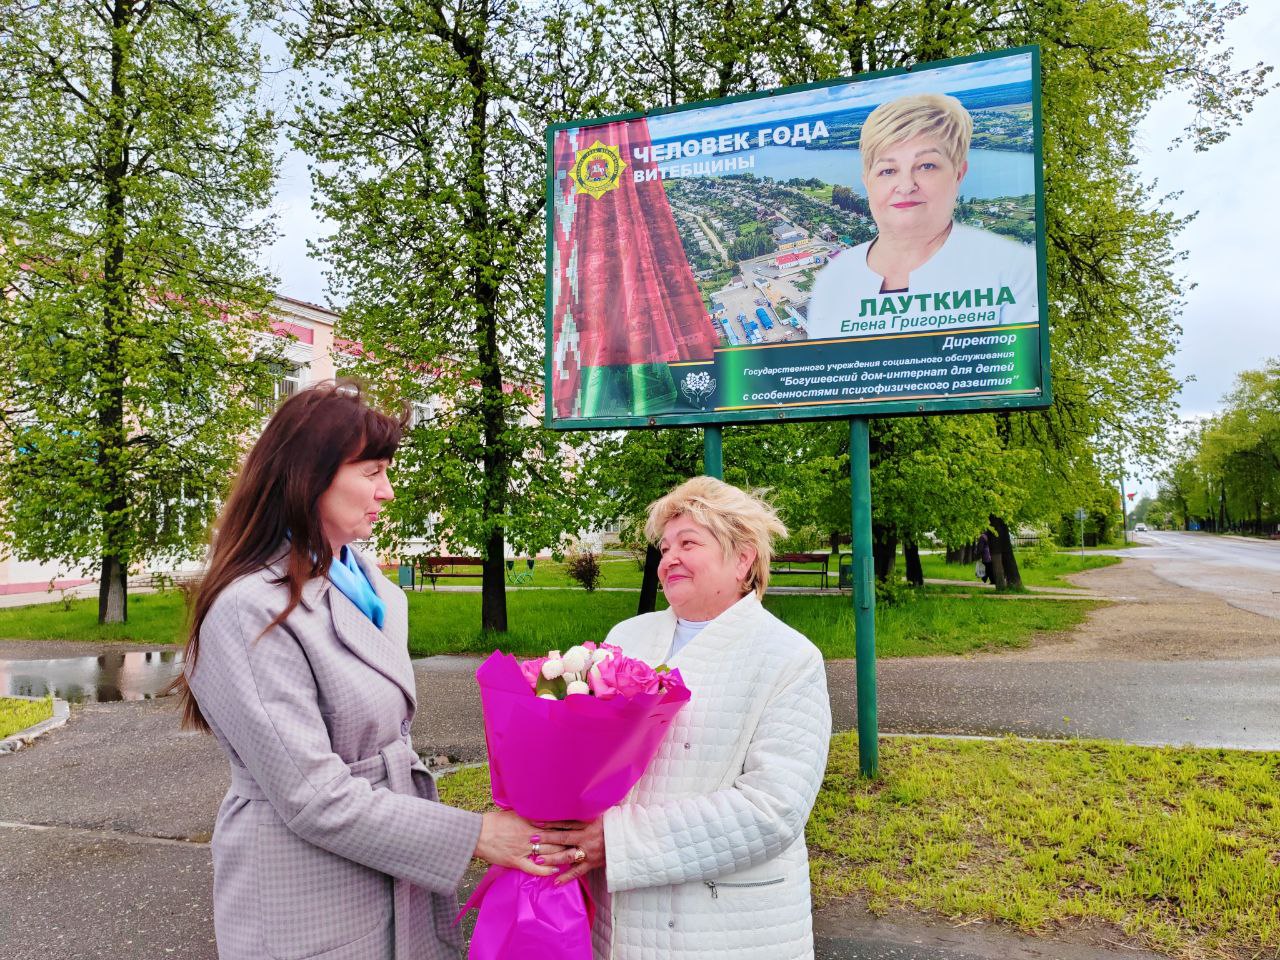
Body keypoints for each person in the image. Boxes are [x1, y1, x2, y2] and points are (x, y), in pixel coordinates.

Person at [173, 381, 559, 960]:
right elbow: (312, 797)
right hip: (304, 889)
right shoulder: (248, 607)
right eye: (373, 472)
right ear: (310, 476)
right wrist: (475, 836)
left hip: (385, 864)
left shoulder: (364, 586)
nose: (389, 491)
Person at [536, 476, 832, 959]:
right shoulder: (628, 636)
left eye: (688, 543)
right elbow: (591, 755)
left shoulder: (788, 657)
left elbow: (772, 810)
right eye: (665, 546)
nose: (669, 557)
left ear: (743, 558)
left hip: (724, 927)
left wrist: (616, 841)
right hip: (624, 918)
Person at [806, 92, 1037, 340]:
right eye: (888, 170)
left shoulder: (1012, 271)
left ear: (958, 174)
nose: (905, 185)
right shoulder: (834, 279)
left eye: (927, 165)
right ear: (867, 182)